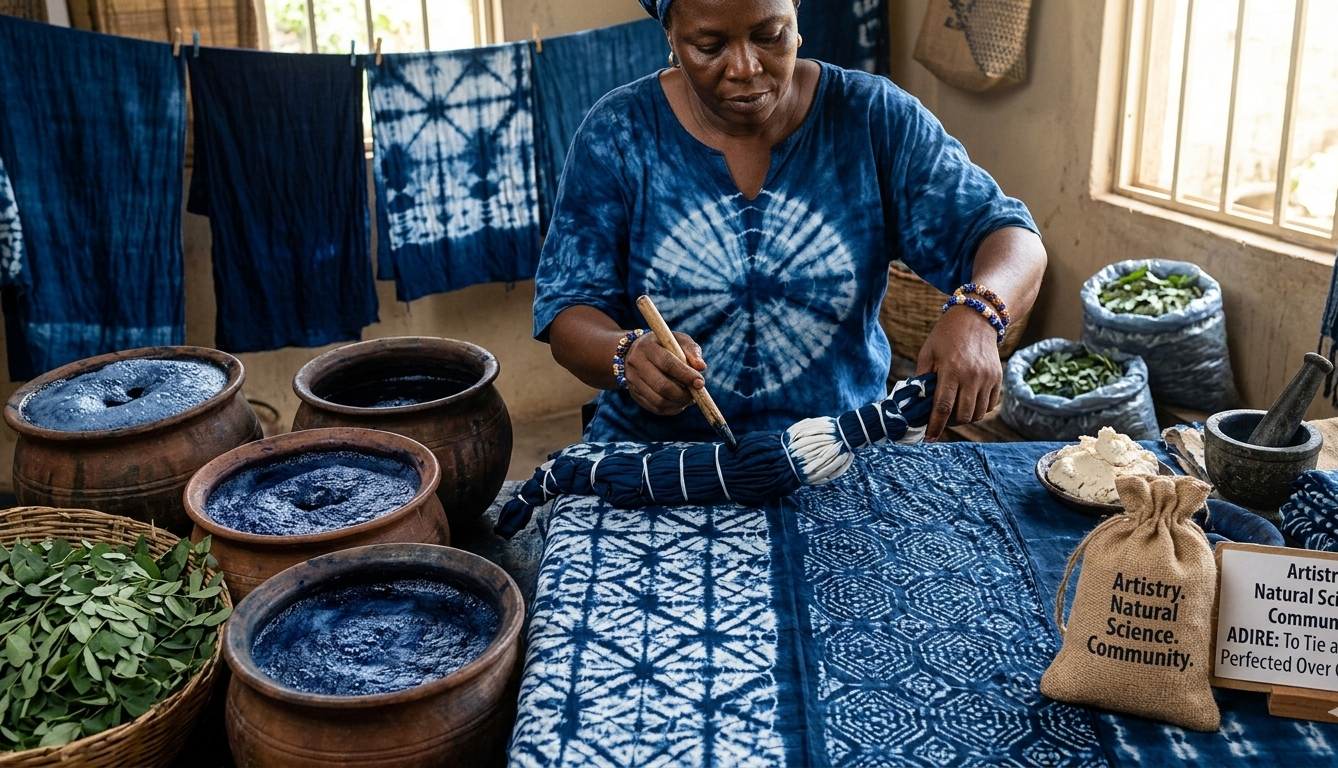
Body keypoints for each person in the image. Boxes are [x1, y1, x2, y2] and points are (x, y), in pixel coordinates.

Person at [533, 0, 1046, 444]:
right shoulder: (619, 134)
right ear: (670, 35)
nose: (745, 67)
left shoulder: (872, 119)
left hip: (839, 452)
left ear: (796, 17)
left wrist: (980, 314)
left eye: (769, 35)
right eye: (709, 46)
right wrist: (626, 355)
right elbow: (568, 311)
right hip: (660, 462)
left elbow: (1010, 237)